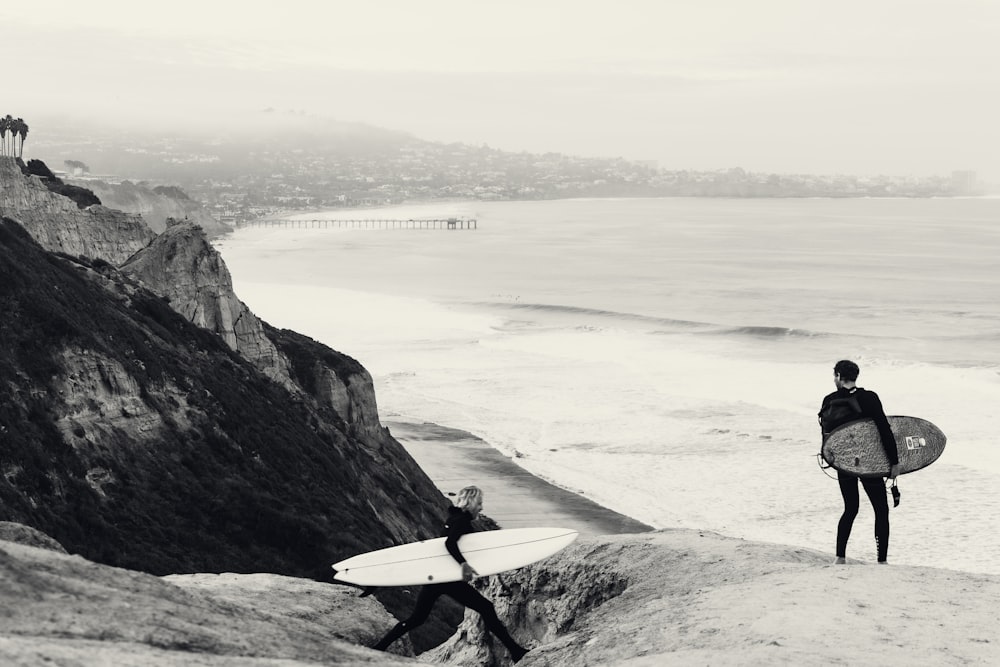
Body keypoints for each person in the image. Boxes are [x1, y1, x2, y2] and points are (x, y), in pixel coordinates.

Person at [372, 486, 528, 662]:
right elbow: (450, 544)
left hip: (438, 577)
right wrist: (464, 565)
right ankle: (515, 651)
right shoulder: (461, 520)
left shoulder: (454, 518)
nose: (481, 508)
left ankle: (379, 648)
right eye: (479, 503)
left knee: (417, 619)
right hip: (448, 579)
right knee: (486, 608)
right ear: (470, 502)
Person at [818, 360, 899, 564]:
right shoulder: (869, 398)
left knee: (850, 508)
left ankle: (840, 558)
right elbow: (884, 430)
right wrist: (894, 462)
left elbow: (827, 437)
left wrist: (831, 459)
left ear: (837, 376)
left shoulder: (829, 400)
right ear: (856, 376)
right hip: (868, 463)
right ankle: (881, 560)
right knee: (881, 510)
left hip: (844, 464)